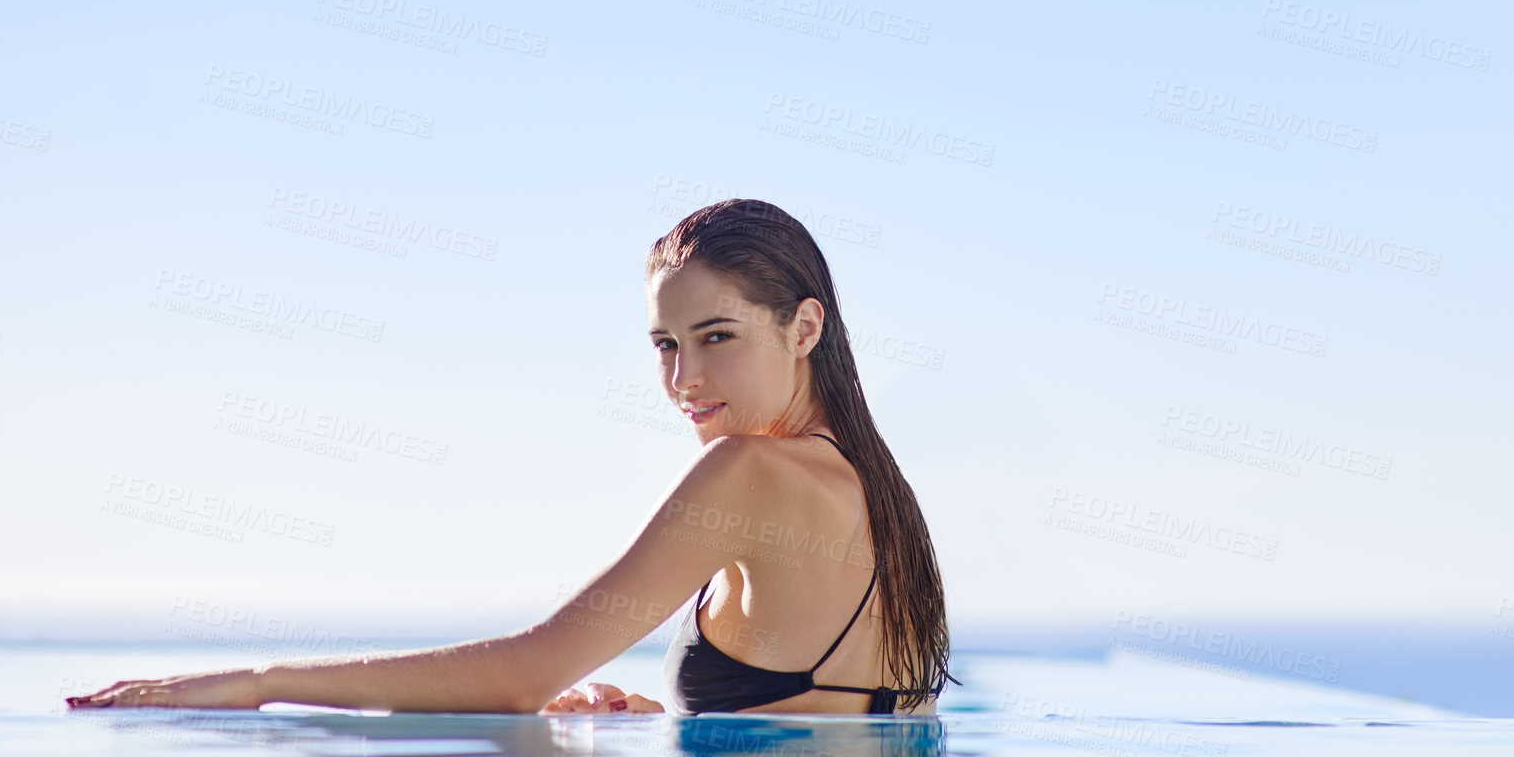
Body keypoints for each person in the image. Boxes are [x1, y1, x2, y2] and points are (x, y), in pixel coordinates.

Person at [68, 199, 957, 716]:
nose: (683, 378)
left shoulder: (749, 473)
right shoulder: (877, 489)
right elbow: (842, 738)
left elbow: (527, 676)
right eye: (662, 344)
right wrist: (688, 729)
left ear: (804, 327)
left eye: (715, 336)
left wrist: (264, 682)